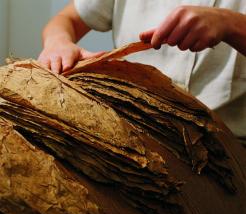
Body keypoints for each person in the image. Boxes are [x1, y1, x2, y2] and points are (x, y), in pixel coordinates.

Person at [38, 0, 246, 142]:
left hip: (228, 148)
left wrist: (230, 24)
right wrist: (58, 42)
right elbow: (67, 19)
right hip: (130, 134)